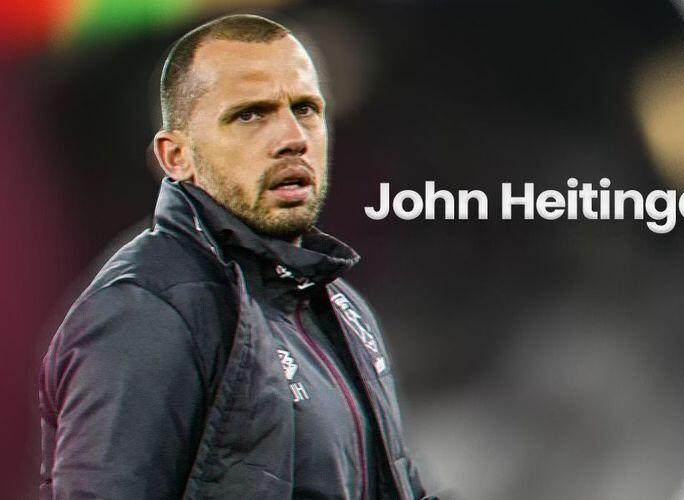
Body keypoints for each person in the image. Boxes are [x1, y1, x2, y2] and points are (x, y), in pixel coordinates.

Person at [39, 14, 432, 500]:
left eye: (306, 109)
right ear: (175, 156)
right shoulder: (151, 310)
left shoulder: (341, 308)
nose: (292, 137)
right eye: (250, 114)